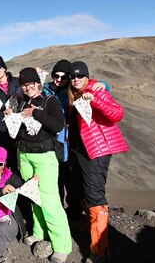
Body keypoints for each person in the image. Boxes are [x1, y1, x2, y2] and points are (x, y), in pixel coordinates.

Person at [4, 67, 72, 263]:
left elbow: (58, 125)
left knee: (50, 199)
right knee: (33, 196)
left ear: (38, 84)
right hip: (25, 155)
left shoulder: (50, 101)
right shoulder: (21, 102)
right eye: (24, 85)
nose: (27, 88)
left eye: (31, 84)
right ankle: (39, 232)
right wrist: (12, 117)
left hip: (44, 156)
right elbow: (18, 132)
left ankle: (62, 245)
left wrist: (36, 113)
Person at [67, 61, 128, 263]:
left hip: (98, 150)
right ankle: (89, 228)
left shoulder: (96, 90)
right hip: (80, 150)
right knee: (81, 191)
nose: (76, 79)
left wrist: (96, 100)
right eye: (72, 76)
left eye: (80, 76)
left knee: (94, 195)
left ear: (87, 76)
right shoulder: (72, 93)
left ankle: (99, 251)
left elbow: (118, 113)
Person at [42, 59, 107, 219]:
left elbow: (92, 87)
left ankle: (74, 216)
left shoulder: (72, 91)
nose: (59, 80)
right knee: (54, 182)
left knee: (72, 183)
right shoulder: (45, 90)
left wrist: (104, 84)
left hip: (70, 144)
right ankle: (57, 216)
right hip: (51, 144)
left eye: (64, 77)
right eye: (56, 76)